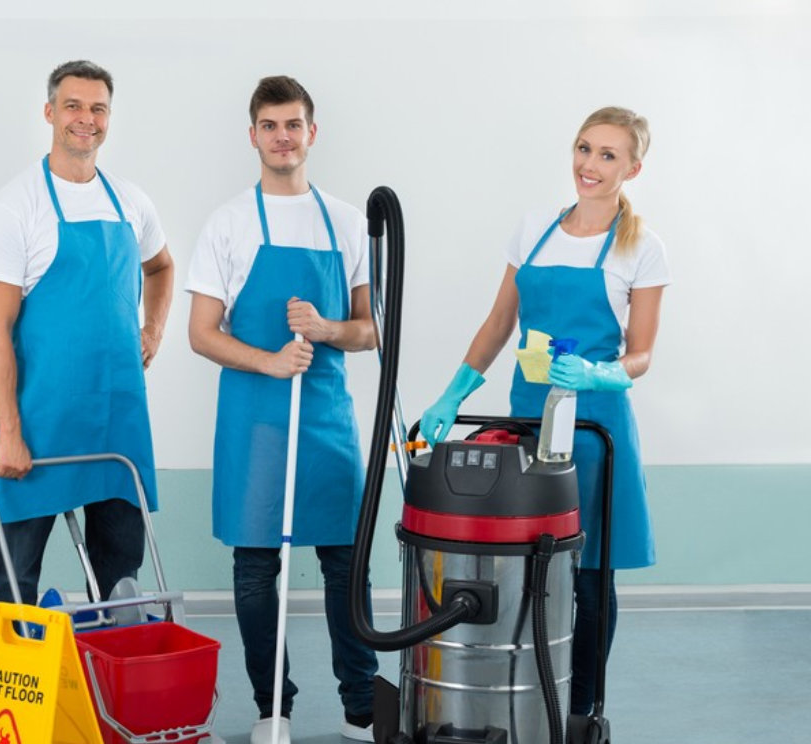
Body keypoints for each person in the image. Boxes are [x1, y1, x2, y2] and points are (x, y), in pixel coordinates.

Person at [420, 107, 669, 716]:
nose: (590, 164)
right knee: (526, 569)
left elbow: (641, 356)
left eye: (608, 155)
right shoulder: (535, 228)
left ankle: (579, 710)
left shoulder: (643, 248)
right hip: (526, 425)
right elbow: (499, 323)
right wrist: (452, 395)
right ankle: (527, 698)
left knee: (588, 579)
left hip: (594, 432)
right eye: (585, 149)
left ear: (633, 168)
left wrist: (598, 374)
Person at [186, 76, 379, 744]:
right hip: (255, 417)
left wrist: (326, 330)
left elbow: (371, 328)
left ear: (311, 133)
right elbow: (201, 331)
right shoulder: (230, 222)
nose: (283, 137)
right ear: (254, 136)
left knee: (345, 564)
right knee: (255, 568)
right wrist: (269, 361)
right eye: (270, 125)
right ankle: (273, 707)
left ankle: (361, 703)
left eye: (294, 124)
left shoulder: (349, 220)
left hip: (326, 416)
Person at [0, 60, 174, 621]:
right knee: (14, 583)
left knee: (123, 590)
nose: (86, 119)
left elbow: (161, 268)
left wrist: (153, 329)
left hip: (118, 422)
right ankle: (7, 703)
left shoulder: (130, 202)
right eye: (73, 106)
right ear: (49, 113)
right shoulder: (16, 208)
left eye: (97, 108)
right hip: (40, 427)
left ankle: (113, 704)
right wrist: (9, 432)